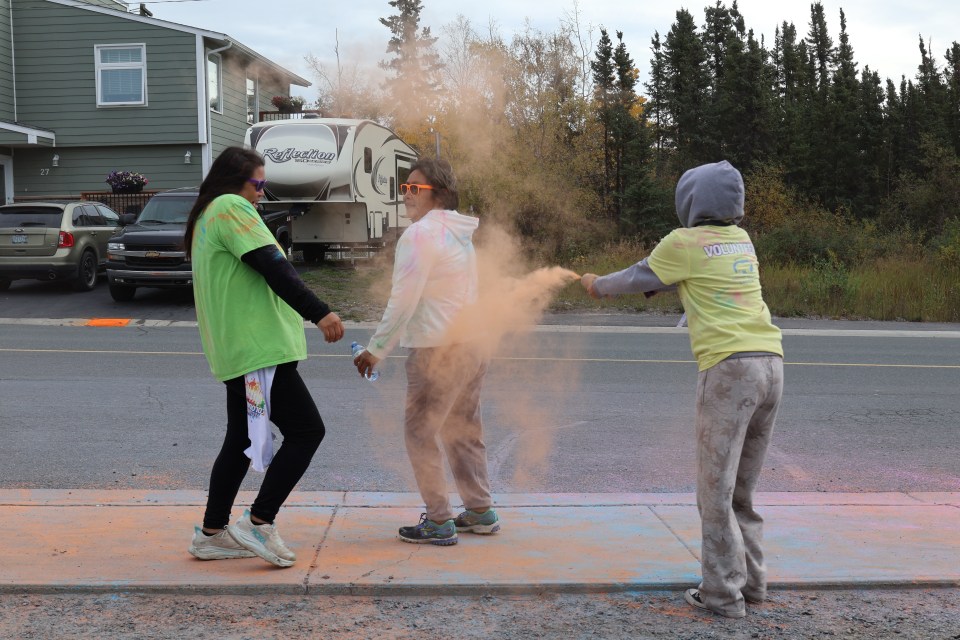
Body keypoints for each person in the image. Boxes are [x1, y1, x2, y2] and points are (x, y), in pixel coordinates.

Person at [581, 160, 784, 619]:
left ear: (690, 202)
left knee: (713, 492)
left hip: (729, 371)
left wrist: (596, 286)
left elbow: (639, 275)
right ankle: (752, 583)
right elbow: (692, 279)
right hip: (772, 365)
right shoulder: (741, 240)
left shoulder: (684, 242)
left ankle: (721, 596)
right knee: (741, 492)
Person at [184, 147, 344, 567]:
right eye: (259, 184)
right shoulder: (231, 207)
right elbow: (272, 265)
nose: (261, 193)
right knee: (308, 431)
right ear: (236, 182)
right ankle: (259, 521)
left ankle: (212, 533)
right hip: (259, 352)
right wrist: (320, 311)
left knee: (240, 440)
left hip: (241, 352)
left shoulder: (206, 215)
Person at [353, 158, 499, 546]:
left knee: (420, 433)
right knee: (463, 430)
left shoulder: (420, 236)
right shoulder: (458, 234)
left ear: (439, 193)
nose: (406, 195)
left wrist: (376, 350)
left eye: (415, 189)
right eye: (405, 188)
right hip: (471, 344)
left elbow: (403, 300)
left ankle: (438, 520)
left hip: (437, 350)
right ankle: (480, 511)